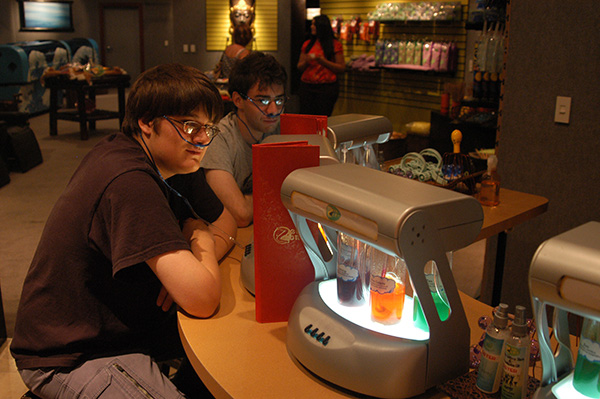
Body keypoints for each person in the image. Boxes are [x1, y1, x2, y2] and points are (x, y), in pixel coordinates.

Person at [10, 63, 237, 398]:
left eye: (208, 128)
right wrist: (199, 236)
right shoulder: (129, 179)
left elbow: (229, 222)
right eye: (190, 126)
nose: (202, 140)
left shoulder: (169, 158)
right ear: (147, 122)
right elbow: (203, 298)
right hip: (69, 353)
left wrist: (191, 260)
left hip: (118, 328)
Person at [201, 51, 288, 228]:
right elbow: (240, 214)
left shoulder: (282, 129)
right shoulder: (219, 138)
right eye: (263, 101)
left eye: (278, 101)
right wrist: (275, 194)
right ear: (238, 100)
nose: (273, 111)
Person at [297, 14, 346, 116]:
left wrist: (323, 61)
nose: (311, 27)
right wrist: (307, 61)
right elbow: (299, 66)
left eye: (314, 25)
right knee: (306, 117)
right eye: (312, 24)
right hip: (307, 86)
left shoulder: (335, 45)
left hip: (326, 88)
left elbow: (341, 67)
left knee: (323, 117)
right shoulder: (307, 44)